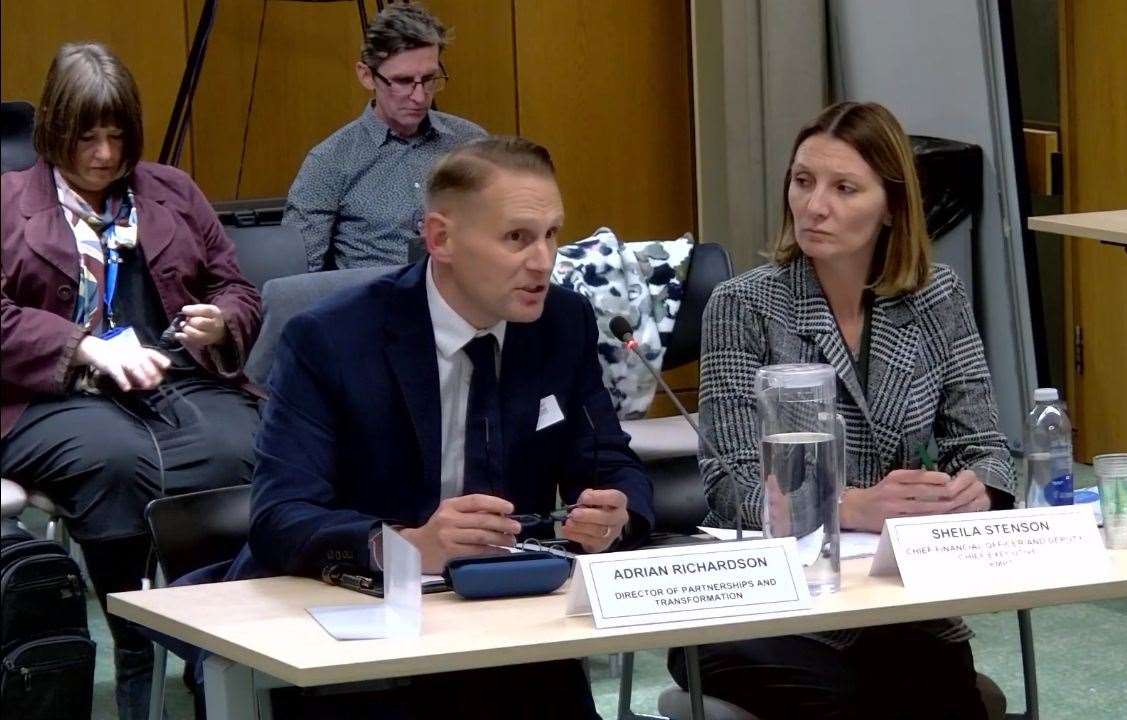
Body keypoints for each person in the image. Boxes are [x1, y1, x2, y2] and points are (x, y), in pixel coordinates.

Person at [222, 136, 652, 718]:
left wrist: (615, 512)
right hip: (360, 647)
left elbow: (610, 461)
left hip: (508, 631)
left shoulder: (561, 322)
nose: (544, 261)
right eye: (516, 238)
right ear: (440, 239)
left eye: (552, 234)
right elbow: (280, 516)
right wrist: (408, 548)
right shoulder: (332, 339)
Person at [668, 101, 1015, 720]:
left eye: (844, 188)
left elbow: (984, 446)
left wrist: (977, 491)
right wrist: (845, 506)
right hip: (768, 608)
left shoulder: (938, 297)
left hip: (896, 600)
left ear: (892, 207)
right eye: (803, 181)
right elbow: (729, 487)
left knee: (942, 701)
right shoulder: (744, 305)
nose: (814, 205)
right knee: (854, 705)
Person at [0, 43, 262, 719]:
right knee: (116, 461)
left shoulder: (171, 191)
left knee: (242, 449)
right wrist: (81, 345)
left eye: (117, 135)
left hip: (172, 377)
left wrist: (219, 321)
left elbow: (236, 287)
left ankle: (217, 648)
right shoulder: (5, 203)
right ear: (55, 128)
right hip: (49, 396)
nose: (104, 155)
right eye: (87, 136)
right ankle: (138, 647)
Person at [285, 1, 486, 272]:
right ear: (367, 76)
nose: (418, 97)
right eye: (403, 81)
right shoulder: (330, 161)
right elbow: (298, 276)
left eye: (429, 79)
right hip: (375, 304)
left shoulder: (471, 144)